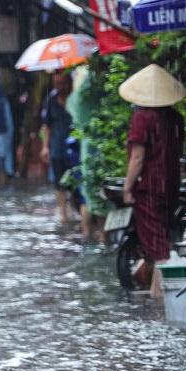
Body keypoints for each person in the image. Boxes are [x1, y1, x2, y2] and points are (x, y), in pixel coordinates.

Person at [120, 64, 186, 296]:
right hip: (170, 186)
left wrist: (127, 188)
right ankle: (157, 295)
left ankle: (160, 300)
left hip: (149, 188)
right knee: (165, 240)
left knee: (160, 251)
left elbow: (138, 157)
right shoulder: (176, 118)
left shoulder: (142, 118)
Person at [66, 66, 107, 244]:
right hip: (96, 150)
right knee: (99, 195)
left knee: (88, 195)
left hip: (86, 150)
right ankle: (101, 237)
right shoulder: (99, 95)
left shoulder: (80, 98)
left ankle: (89, 235)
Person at [39, 69, 77, 224]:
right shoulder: (50, 100)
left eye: (61, 80)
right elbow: (46, 126)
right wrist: (45, 147)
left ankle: (74, 209)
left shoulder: (76, 98)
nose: (58, 84)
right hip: (57, 147)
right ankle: (63, 213)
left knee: (75, 181)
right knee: (59, 183)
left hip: (75, 147)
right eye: (56, 82)